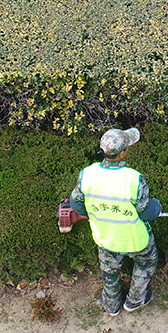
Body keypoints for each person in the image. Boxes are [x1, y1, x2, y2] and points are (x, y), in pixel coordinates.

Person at [68, 128, 161, 316]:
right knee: (146, 261)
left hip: (105, 237)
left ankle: (111, 305)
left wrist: (94, 213)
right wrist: (157, 207)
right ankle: (135, 301)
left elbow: (76, 204)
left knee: (109, 271)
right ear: (123, 153)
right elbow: (146, 212)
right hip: (135, 240)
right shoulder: (134, 179)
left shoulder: (87, 174)